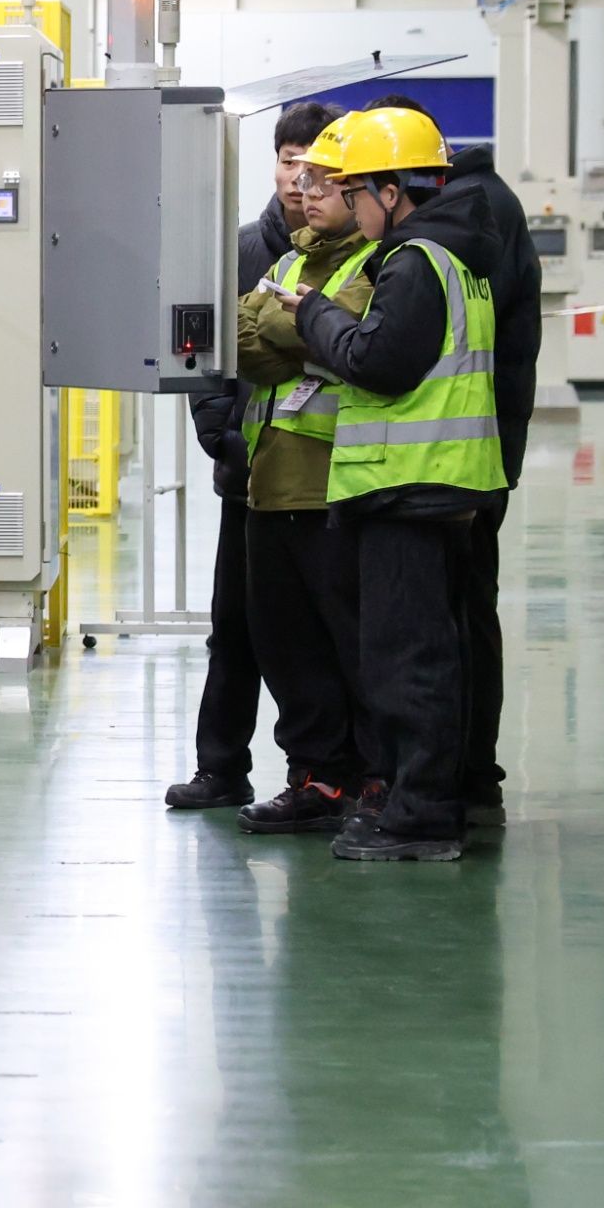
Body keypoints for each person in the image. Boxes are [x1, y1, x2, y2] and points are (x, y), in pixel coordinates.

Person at [277, 104, 508, 863]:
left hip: (411, 484)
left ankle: (419, 816)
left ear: (391, 190)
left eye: (354, 190)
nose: (347, 203)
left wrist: (314, 317)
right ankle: (428, 803)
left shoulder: (414, 261)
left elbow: (377, 362)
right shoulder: (459, 256)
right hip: (441, 483)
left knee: (407, 660)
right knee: (430, 652)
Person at [164, 101, 338, 812]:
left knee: (306, 631)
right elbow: (201, 351)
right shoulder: (236, 251)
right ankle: (220, 766)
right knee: (232, 626)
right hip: (246, 473)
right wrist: (222, 437)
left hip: (315, 480)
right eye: (289, 161)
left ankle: (316, 772)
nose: (300, 179)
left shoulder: (348, 255)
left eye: (314, 166)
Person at [226, 153, 372, 833]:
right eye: (304, 181)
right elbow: (241, 342)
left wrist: (295, 326)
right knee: (286, 645)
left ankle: (368, 779)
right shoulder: (287, 261)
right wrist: (305, 329)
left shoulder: (377, 262)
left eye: (327, 184)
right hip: (269, 483)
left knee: (348, 641)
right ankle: (314, 777)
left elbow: (347, 338)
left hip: (335, 484)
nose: (308, 194)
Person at [433, 131, 542, 827]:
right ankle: (466, 774)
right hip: (469, 451)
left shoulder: (477, 213)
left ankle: (469, 775)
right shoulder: (474, 203)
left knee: (461, 616)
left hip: (468, 457)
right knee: (463, 611)